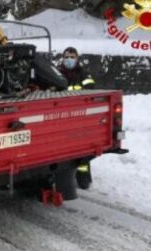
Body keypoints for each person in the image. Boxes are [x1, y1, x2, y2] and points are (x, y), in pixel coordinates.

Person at [58, 47, 94, 190]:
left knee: (83, 149)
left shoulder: (83, 74)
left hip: (80, 116)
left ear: (77, 59)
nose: (69, 59)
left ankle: (83, 177)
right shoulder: (57, 73)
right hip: (62, 117)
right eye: (67, 57)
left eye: (72, 57)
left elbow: (91, 89)